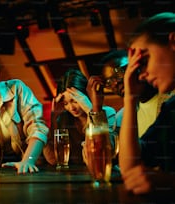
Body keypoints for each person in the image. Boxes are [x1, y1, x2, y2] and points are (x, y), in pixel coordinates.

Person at [119, 12, 175, 195]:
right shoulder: (171, 109)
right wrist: (130, 97)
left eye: (143, 60)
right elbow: (131, 170)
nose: (140, 75)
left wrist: (169, 183)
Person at [43, 69, 117, 165]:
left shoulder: (107, 113)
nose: (71, 107)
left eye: (75, 101)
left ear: (86, 95)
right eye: (65, 103)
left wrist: (90, 110)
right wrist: (53, 119)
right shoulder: (64, 118)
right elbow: (53, 159)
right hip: (73, 176)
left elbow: (104, 153)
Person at [98, 49, 161, 137]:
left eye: (120, 72)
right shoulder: (122, 118)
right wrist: (96, 107)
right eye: (109, 82)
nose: (116, 83)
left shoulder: (168, 100)